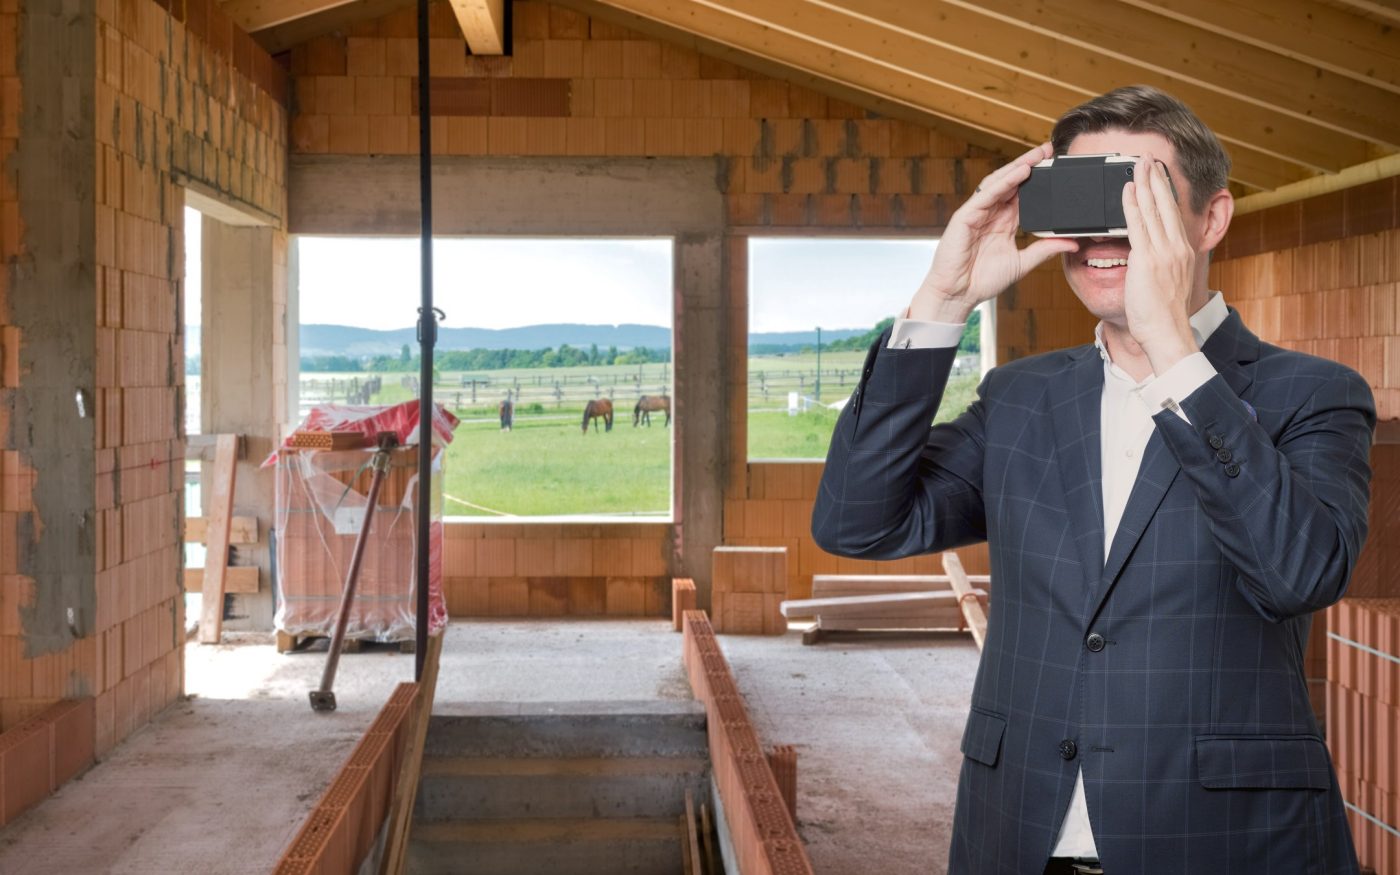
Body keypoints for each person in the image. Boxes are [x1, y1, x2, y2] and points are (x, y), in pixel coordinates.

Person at [811, 85, 1373, 875]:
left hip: (1229, 847)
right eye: (1083, 195)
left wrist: (1173, 351)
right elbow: (856, 521)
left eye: (1137, 195)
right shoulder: (1021, 396)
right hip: (1014, 838)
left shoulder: (1311, 394)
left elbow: (1299, 572)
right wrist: (944, 297)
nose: (1105, 229)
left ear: (1211, 219)